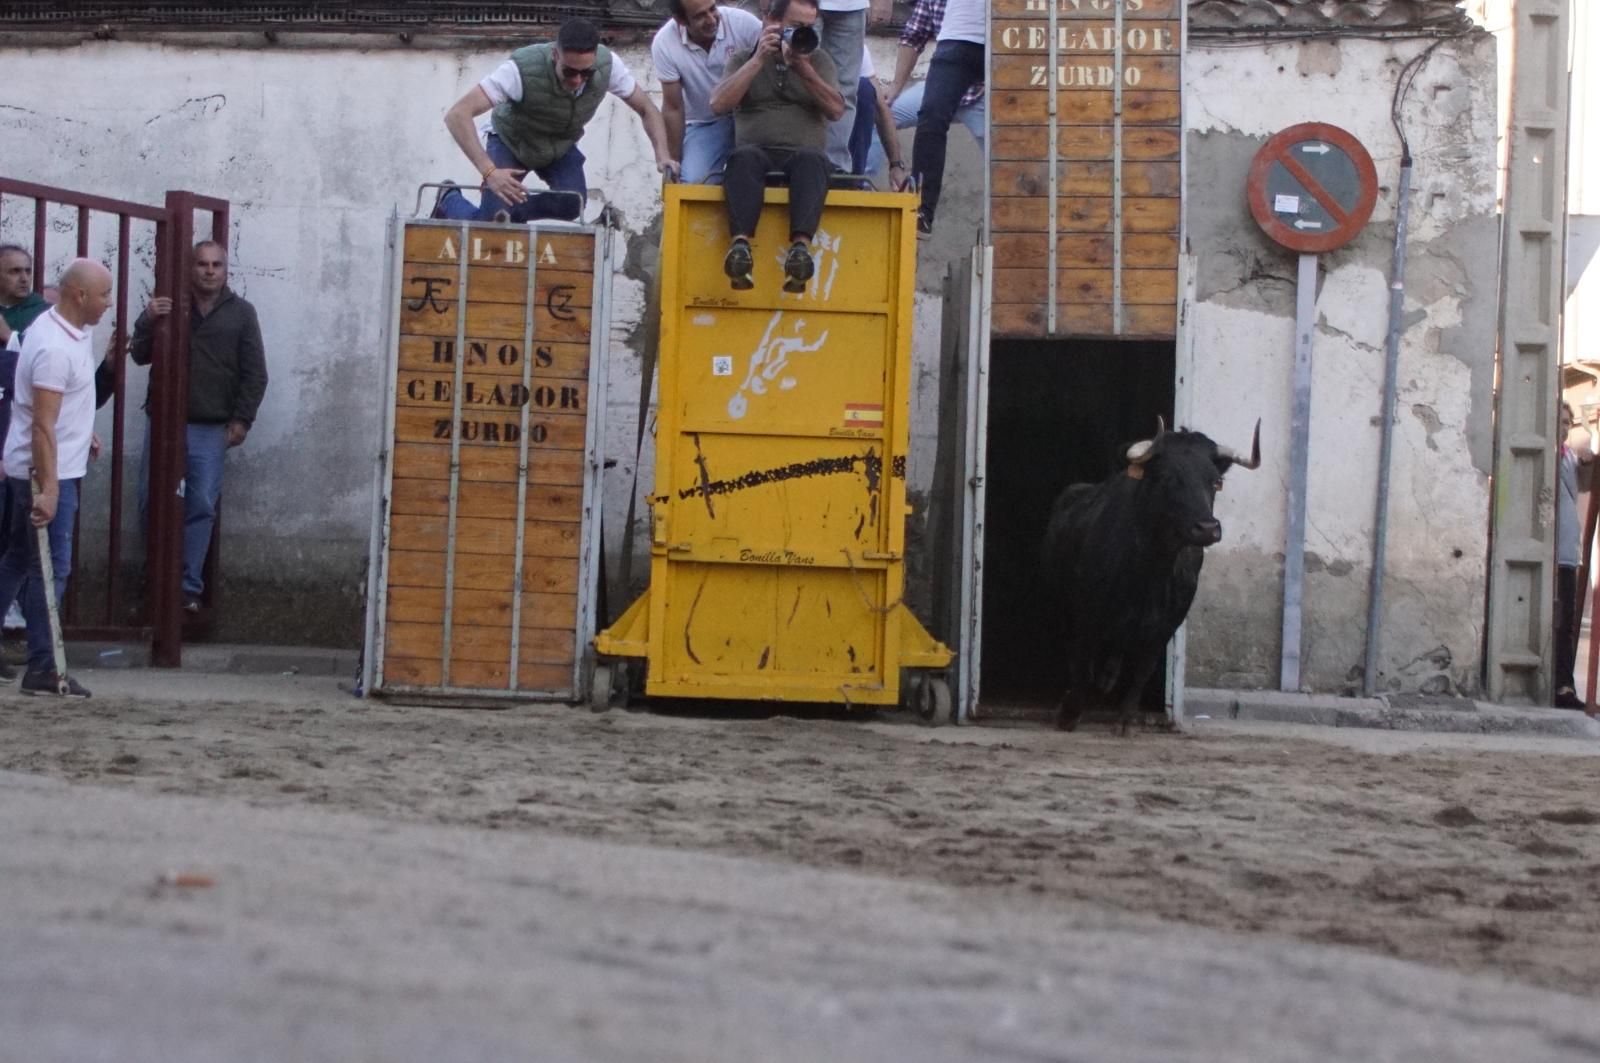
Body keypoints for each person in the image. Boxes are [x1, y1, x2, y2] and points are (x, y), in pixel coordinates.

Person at [129, 240, 268, 614]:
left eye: (216, 265)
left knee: (201, 504)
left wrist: (242, 420)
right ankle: (155, 580)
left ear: (225, 270)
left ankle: (186, 587)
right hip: (163, 421)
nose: (209, 271)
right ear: (190, 268)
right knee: (151, 501)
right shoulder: (171, 307)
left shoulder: (241, 313)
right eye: (202, 264)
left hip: (211, 426)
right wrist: (147, 319)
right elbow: (141, 355)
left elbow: (255, 373)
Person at [435, 18, 679, 222]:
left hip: (558, 145)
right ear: (555, 55)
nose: (577, 80)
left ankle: (501, 216)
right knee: (493, 222)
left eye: (586, 73)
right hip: (512, 140)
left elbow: (647, 108)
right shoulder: (520, 70)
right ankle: (449, 198)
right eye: (570, 72)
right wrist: (490, 172)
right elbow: (457, 115)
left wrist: (663, 155)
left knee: (573, 204)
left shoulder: (609, 66)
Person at [0, 259, 111, 696]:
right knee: (51, 567)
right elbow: (41, 425)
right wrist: (47, 489)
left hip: (52, 462)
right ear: (80, 295)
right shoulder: (52, 347)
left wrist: (84, 432)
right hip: (45, 471)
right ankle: (44, 665)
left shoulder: (69, 331)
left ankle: (44, 664)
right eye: (104, 294)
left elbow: (60, 408)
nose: (108, 303)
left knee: (17, 559)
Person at [711, 0, 845, 293]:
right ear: (772, 20)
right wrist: (758, 59)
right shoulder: (744, 58)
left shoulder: (819, 61)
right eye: (795, 27)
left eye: (809, 28)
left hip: (803, 155)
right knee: (742, 158)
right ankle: (740, 249)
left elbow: (836, 110)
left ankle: (800, 252)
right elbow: (718, 104)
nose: (802, 34)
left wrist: (803, 67)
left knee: (814, 160)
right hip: (754, 152)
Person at [869, 0, 986, 183]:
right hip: (941, 87)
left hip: (983, 91)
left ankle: (1017, 206)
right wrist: (895, 87)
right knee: (881, 114)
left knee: (1008, 151)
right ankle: (860, 186)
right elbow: (913, 36)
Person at [654, 0, 764, 184]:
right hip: (704, 124)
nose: (712, 19)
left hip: (754, 116)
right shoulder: (664, 43)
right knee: (694, 183)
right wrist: (674, 163)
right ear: (680, 20)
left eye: (712, 9)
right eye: (700, 16)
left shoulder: (744, 24)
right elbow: (673, 107)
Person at [908, 0, 985, 236]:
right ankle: (922, 209)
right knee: (931, 115)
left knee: (1018, 129)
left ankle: (1023, 212)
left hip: (1011, 34)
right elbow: (912, 34)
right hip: (958, 33)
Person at [815, 0, 891, 171]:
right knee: (798, 78)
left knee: (846, 90)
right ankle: (794, 158)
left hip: (850, 6)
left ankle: (834, 165)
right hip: (799, 4)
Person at [1554, 402, 1593, 709]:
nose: (1565, 427)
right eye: (1560, 421)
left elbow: (1586, 485)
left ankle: (1564, 687)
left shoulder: (1569, 457)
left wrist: (1589, 459)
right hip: (1544, 553)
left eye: (1568, 422)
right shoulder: (1544, 456)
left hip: (1567, 552)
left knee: (1566, 624)